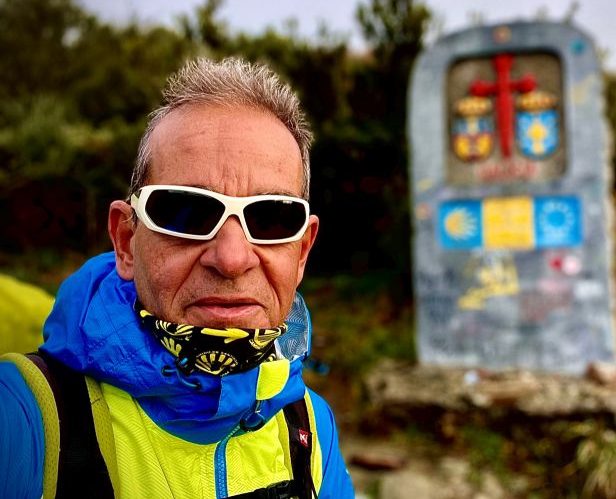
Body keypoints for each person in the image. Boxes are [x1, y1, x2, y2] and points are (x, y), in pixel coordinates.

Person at [0, 57, 355, 498]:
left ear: (301, 253)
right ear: (127, 241)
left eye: (271, 219)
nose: (231, 258)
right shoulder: (23, 419)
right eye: (187, 213)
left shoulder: (311, 426)